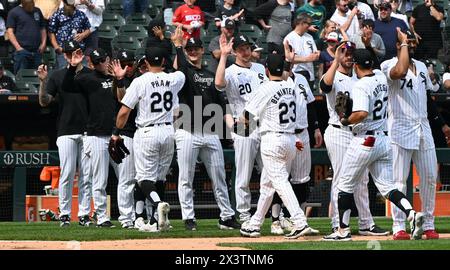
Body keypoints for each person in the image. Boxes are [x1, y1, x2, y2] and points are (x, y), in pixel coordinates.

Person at [322, 47, 424, 241]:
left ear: (356, 65)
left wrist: (345, 120)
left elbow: (361, 114)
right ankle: (412, 213)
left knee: (343, 186)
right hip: (384, 140)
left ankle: (342, 231)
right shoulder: (380, 77)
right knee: (388, 188)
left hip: (365, 139)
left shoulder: (361, 85)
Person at [239, 53, 315, 239]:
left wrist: (238, 124)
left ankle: (299, 221)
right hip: (290, 139)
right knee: (268, 184)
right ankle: (255, 224)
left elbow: (246, 116)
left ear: (266, 70)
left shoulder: (265, 88)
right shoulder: (291, 86)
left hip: (273, 140)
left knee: (280, 183)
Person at [171, 26, 240, 231]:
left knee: (219, 176)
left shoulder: (211, 74)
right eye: (189, 49)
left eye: (195, 49)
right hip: (186, 130)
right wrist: (178, 46)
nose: (192, 51)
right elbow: (180, 66)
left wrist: (233, 131)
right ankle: (188, 218)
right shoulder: (183, 73)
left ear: (202, 50)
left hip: (210, 132)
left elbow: (223, 104)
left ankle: (227, 216)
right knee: (186, 177)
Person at [380, 29, 445, 240]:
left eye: (410, 40)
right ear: (399, 44)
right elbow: (399, 72)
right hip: (400, 128)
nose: (410, 43)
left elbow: (428, 94)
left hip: (423, 128)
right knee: (399, 180)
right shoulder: (388, 64)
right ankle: (399, 226)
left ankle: (428, 224)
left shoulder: (423, 67)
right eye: (406, 41)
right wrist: (403, 45)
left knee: (428, 178)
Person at [320, 41, 389, 236]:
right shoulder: (334, 74)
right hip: (338, 131)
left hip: (357, 132)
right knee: (342, 179)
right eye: (345, 53)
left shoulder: (360, 78)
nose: (348, 56)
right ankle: (338, 224)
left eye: (351, 53)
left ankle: (366, 223)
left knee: (362, 180)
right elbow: (324, 86)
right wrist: (335, 60)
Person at [111, 47, 183, 232]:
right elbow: (181, 71)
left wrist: (116, 133)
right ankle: (153, 221)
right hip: (168, 131)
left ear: (146, 63)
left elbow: (124, 111)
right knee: (159, 178)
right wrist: (178, 47)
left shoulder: (140, 81)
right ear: (164, 62)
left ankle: (158, 204)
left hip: (147, 131)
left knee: (143, 179)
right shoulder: (175, 79)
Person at [37, 40, 92, 228]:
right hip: (66, 130)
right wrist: (43, 82)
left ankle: (84, 214)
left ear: (80, 53)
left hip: (87, 131)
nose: (70, 56)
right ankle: (65, 214)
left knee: (86, 175)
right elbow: (44, 101)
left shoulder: (89, 75)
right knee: (67, 174)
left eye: (73, 52)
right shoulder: (57, 75)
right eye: (67, 53)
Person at [215, 33, 267, 223]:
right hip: (244, 123)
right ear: (235, 51)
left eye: (247, 48)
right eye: (241, 49)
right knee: (244, 175)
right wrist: (223, 56)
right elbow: (219, 84)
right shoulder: (229, 70)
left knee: (269, 173)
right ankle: (244, 215)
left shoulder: (260, 67)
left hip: (265, 123)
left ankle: (269, 216)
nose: (246, 52)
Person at [62, 47, 115, 228]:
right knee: (99, 180)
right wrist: (72, 66)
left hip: (117, 134)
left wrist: (120, 78)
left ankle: (129, 218)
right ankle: (102, 217)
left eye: (104, 60)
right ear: (91, 63)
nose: (102, 63)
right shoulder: (87, 78)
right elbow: (67, 87)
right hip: (96, 134)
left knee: (127, 178)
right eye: (98, 61)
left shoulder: (117, 75)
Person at [106, 49, 138, 229]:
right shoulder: (118, 81)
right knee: (126, 179)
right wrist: (119, 79)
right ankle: (126, 218)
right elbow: (124, 99)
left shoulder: (139, 79)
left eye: (130, 64)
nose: (128, 68)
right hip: (125, 134)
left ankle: (145, 216)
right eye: (124, 64)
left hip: (141, 133)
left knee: (144, 178)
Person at [6, 0, 47, 74]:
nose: (32, 8)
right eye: (29, 6)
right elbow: (10, 32)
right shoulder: (13, 12)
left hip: (37, 51)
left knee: (38, 77)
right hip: (22, 52)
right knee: (21, 77)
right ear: (23, 4)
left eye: (32, 5)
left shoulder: (37, 10)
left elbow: (42, 28)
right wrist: (18, 48)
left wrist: (43, 43)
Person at [48, 0, 91, 70]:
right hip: (63, 51)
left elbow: (88, 30)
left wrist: (83, 35)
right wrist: (56, 47)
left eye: (71, 5)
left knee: (81, 73)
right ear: (64, 2)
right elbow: (51, 32)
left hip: (78, 50)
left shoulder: (81, 14)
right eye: (67, 4)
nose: (69, 7)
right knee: (63, 74)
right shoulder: (57, 15)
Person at [283, 13, 319, 91]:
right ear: (301, 23)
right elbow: (289, 58)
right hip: (296, 73)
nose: (310, 26)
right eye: (309, 24)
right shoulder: (289, 38)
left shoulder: (309, 37)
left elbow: (315, 54)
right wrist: (307, 59)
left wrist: (316, 55)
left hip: (310, 74)